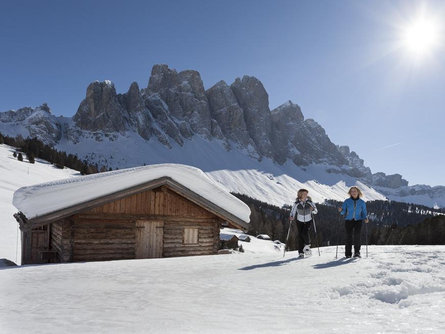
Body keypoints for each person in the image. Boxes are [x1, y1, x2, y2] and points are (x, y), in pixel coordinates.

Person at [338, 186, 368, 258]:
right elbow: (343, 212)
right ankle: (348, 253)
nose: (353, 192)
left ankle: (357, 252)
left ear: (358, 192)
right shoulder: (347, 201)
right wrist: (341, 211)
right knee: (349, 237)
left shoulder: (362, 202)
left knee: (357, 236)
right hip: (349, 220)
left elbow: (364, 212)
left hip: (358, 220)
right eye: (352, 191)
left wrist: (365, 218)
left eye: (355, 191)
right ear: (350, 193)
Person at [290, 189, 318, 257]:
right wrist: (291, 216)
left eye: (306, 194)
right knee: (300, 236)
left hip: (308, 220)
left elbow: (316, 211)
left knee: (304, 233)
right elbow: (293, 211)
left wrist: (313, 209)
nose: (306, 195)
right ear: (300, 195)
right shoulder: (296, 203)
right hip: (299, 221)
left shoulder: (310, 202)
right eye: (304, 194)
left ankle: (308, 245)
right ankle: (301, 252)